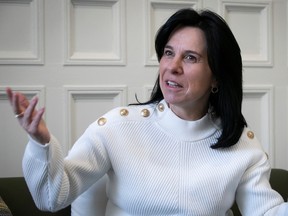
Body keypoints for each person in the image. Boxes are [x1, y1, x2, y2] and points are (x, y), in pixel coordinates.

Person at [6, 8, 288, 216]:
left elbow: (265, 213)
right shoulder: (117, 127)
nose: (172, 66)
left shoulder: (241, 144)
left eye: (190, 57)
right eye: (168, 53)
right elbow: (51, 197)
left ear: (217, 77)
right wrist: (40, 142)